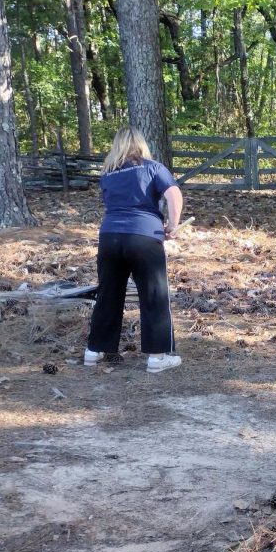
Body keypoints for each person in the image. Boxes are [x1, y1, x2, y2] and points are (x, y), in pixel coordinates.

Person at [84, 127, 184, 374]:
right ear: (141, 144)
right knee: (153, 294)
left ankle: (94, 351)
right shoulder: (153, 167)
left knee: (108, 293)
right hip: (144, 236)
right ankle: (157, 357)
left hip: (109, 237)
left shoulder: (108, 174)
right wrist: (173, 225)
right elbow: (173, 193)